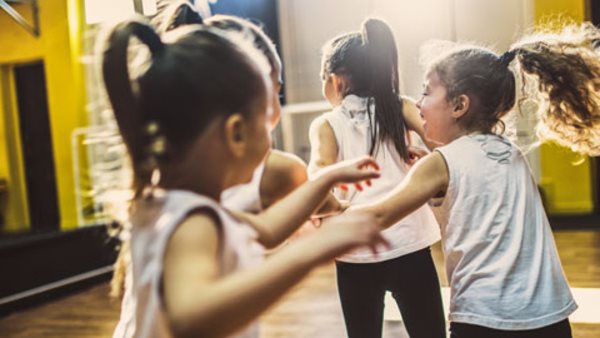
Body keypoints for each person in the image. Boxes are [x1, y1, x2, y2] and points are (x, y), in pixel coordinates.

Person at [103, 18, 387, 338]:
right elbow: (190, 318)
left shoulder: (168, 203)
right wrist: (314, 250)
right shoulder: (193, 222)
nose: (270, 132)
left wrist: (326, 179)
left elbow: (267, 230)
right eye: (265, 121)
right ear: (236, 133)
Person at [349, 23, 600, 338]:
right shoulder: (510, 153)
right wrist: (439, 175)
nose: (418, 103)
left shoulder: (442, 164)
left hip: (484, 319)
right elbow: (475, 190)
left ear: (459, 105)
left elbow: (378, 216)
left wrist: (329, 207)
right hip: (549, 315)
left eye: (426, 91)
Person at [308, 18, 446, 338]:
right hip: (410, 244)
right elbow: (441, 140)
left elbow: (318, 178)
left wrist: (335, 210)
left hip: (355, 248)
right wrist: (429, 163)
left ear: (335, 80)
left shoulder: (327, 124)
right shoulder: (399, 106)